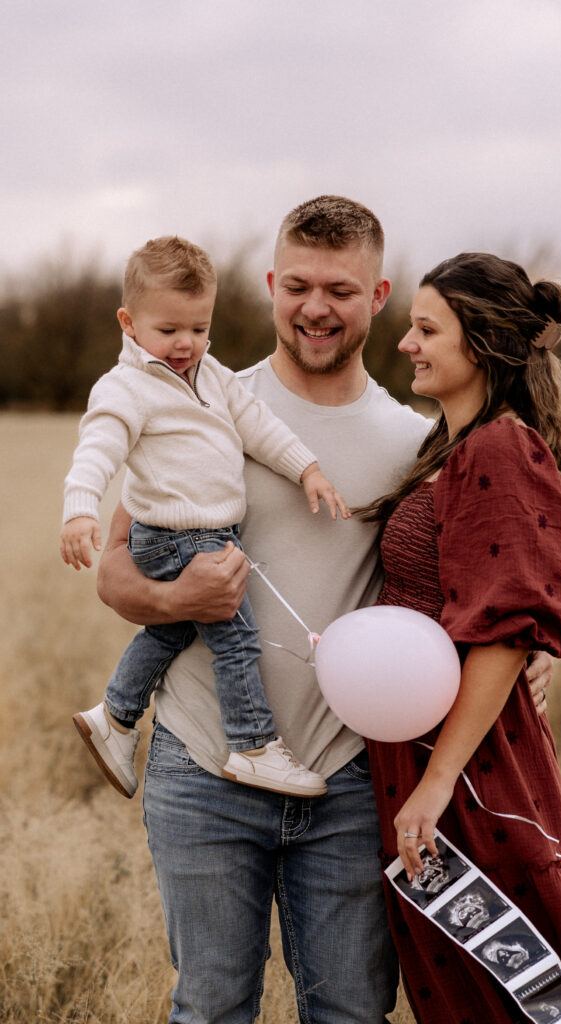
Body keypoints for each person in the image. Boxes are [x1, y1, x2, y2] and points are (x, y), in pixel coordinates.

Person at [96, 198, 554, 1024]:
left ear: (378, 297)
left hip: (348, 779)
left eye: (340, 290)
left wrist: (530, 660)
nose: (316, 308)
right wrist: (172, 598)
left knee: (349, 1011)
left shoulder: (415, 441)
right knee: (209, 1009)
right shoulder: (198, 403)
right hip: (203, 768)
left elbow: (475, 584)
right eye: (298, 285)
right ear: (271, 286)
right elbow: (114, 572)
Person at [362, 253, 561, 1023]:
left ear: (481, 342)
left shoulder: (498, 448)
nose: (407, 344)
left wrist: (435, 784)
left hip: (472, 766)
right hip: (431, 751)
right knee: (464, 984)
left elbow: (505, 632)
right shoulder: (449, 447)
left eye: (426, 329)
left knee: (518, 981)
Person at [61, 235, 349, 801]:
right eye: (168, 331)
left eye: (198, 328)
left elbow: (258, 424)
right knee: (237, 640)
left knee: (169, 632)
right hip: (175, 537)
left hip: (208, 533)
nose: (185, 344)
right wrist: (79, 511)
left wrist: (307, 468)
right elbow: (98, 449)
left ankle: (115, 717)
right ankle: (252, 744)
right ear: (129, 322)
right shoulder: (126, 388)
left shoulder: (212, 375)